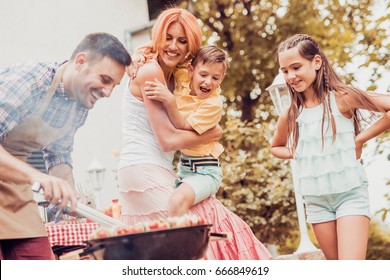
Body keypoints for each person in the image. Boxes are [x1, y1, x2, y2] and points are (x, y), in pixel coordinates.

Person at [117, 7, 271, 260]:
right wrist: (212, 134)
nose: (173, 46)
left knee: (173, 244)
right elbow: (168, 140)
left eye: (182, 40)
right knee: (198, 239)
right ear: (158, 36)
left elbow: (204, 73)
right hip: (145, 168)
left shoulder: (175, 74)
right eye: (168, 37)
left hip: (147, 170)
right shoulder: (151, 71)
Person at [0, 32, 131, 260]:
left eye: (114, 86)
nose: (108, 93)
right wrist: (39, 178)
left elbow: (58, 155)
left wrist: (70, 192)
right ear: (80, 62)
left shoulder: (78, 106)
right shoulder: (29, 81)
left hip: (14, 191)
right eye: (105, 80)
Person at [271, 34, 390, 259]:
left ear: (316, 62)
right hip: (316, 201)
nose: (291, 76)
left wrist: (359, 139)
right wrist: (298, 152)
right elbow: (276, 146)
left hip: (350, 194)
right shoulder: (291, 112)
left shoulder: (342, 97)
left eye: (296, 67)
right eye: (285, 71)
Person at [144, 45, 227, 217]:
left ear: (222, 79)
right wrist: (139, 56)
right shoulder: (182, 76)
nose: (208, 82)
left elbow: (181, 126)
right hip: (184, 169)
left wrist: (170, 100)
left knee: (177, 201)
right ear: (191, 70)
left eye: (215, 78)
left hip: (206, 172)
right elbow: (166, 55)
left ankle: (180, 244)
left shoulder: (213, 105)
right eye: (203, 74)